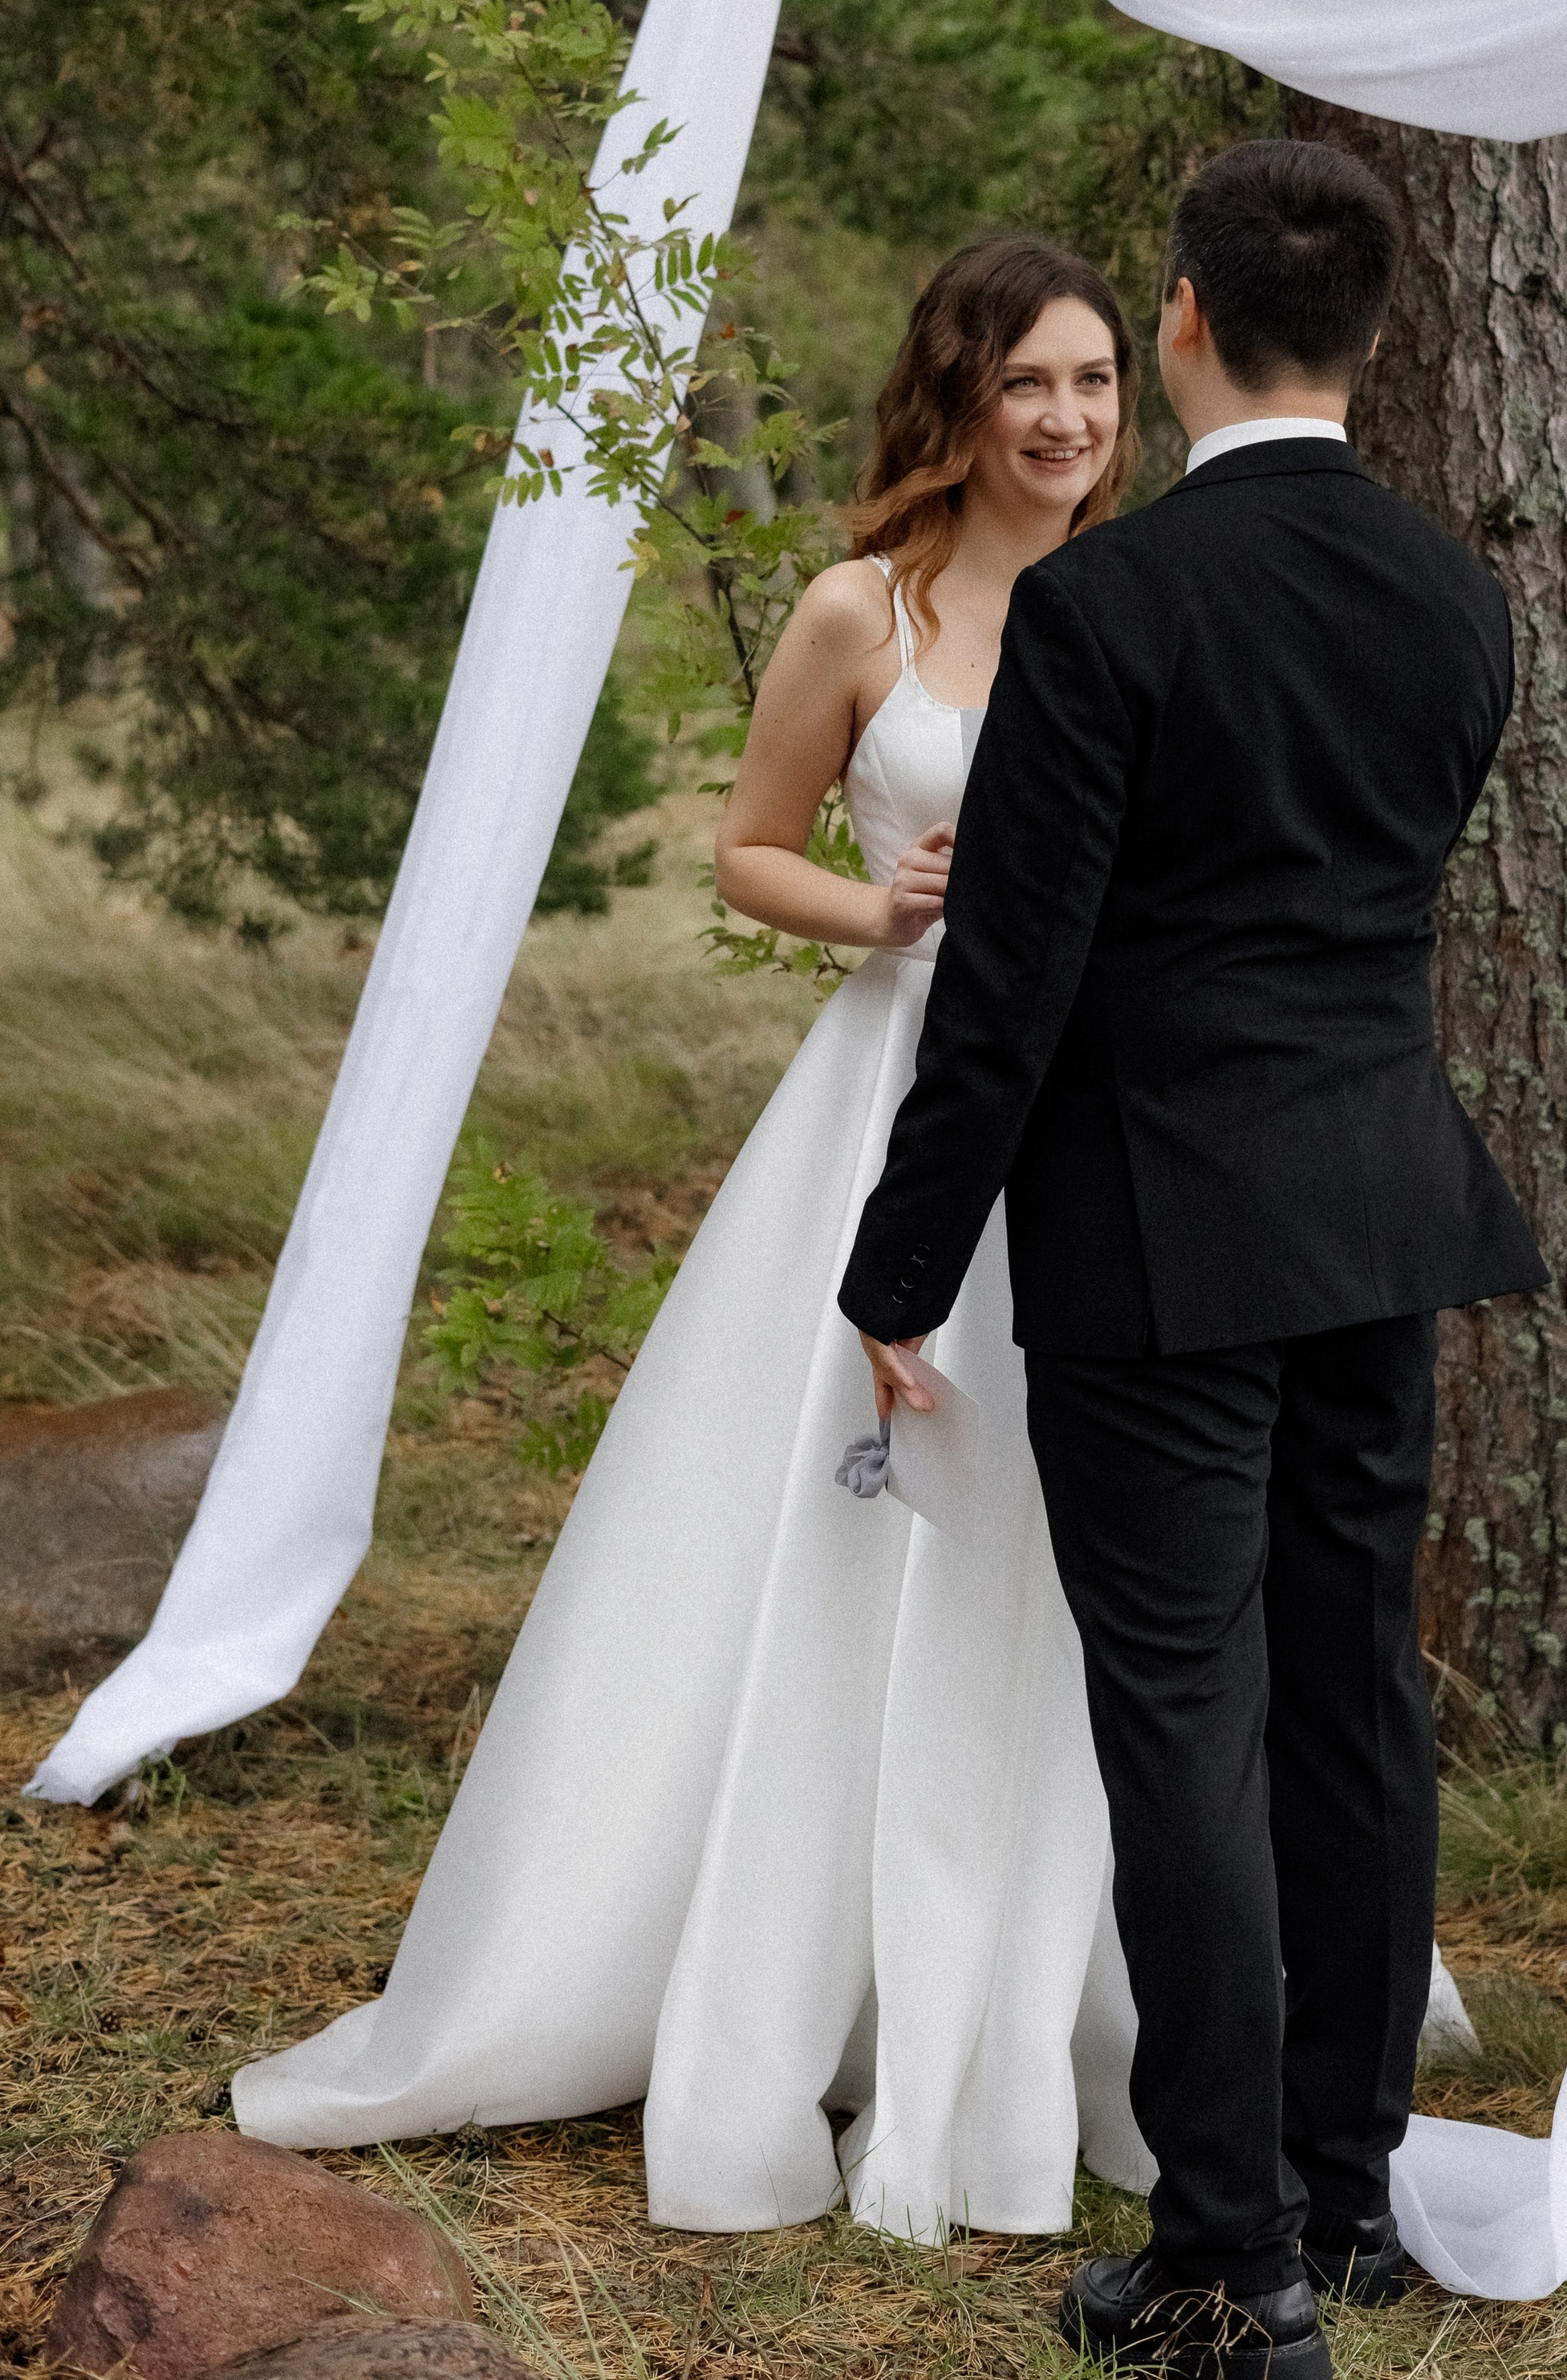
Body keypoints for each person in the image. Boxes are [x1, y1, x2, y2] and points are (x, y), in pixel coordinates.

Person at [233, 234, 1161, 2239]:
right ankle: (769, 1965)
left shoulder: (1142, 595)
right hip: (892, 1109)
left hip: (1094, 1124)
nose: (1069, 421)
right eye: (1031, 385)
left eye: (1095, 382)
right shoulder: (861, 609)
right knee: (838, 1520)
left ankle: (1031, 1977)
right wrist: (886, 911)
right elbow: (751, 852)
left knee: (1055, 1549)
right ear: (961, 393)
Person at [841, 140, 1547, 2379]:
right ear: (1368, 343)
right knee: (1352, 1702)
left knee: (1188, 1721)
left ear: (1177, 325)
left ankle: (1228, 2260)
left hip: (1162, 1222)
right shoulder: (1460, 599)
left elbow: (1018, 978)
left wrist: (897, 1262)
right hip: (1379, 1207)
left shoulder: (1108, 609)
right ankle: (1342, 2197)